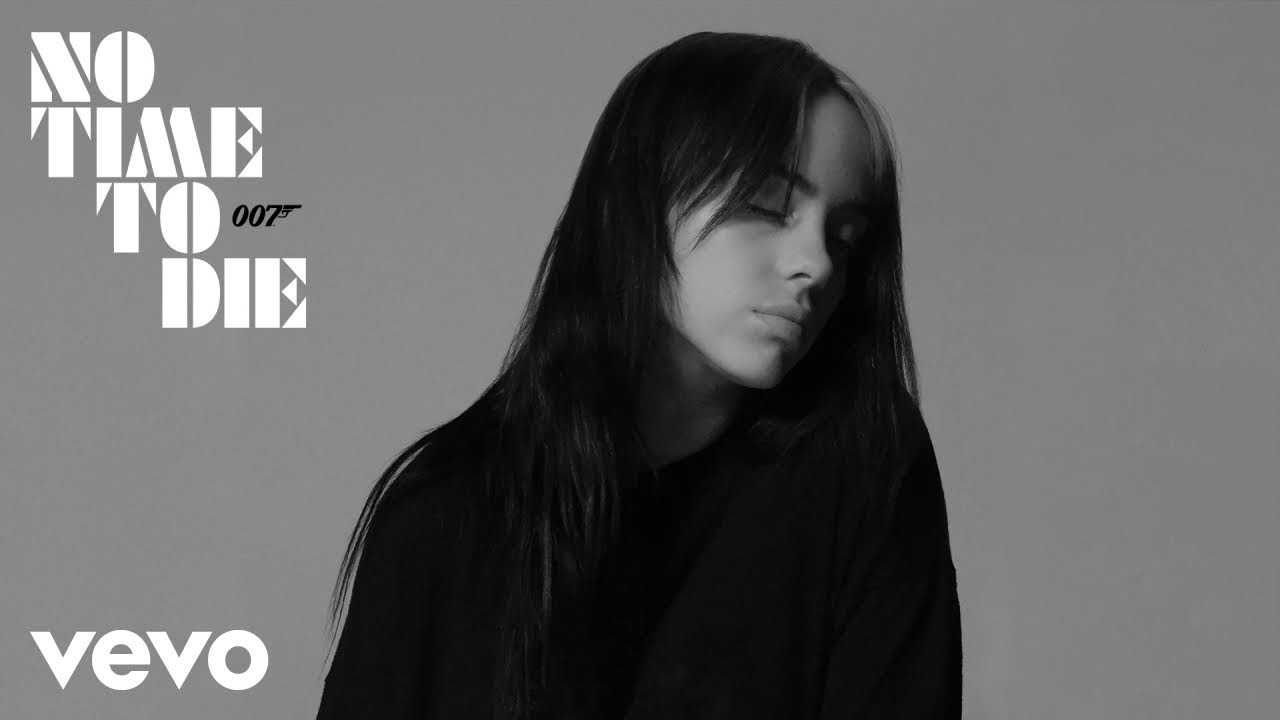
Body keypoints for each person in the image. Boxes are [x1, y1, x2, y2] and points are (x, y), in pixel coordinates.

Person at [316, 31, 961, 720]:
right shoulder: (441, 513)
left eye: (845, 236)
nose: (818, 263)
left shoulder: (861, 465)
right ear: (638, 200)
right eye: (769, 205)